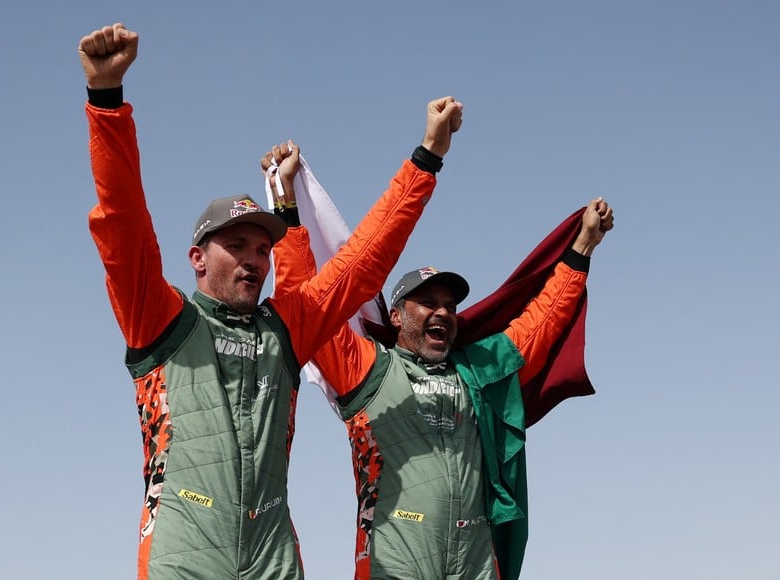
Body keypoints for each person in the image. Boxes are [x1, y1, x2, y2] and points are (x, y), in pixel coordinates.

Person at [78, 22, 463, 580]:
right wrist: (107, 101)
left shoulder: (286, 326)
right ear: (197, 259)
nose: (255, 259)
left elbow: (364, 261)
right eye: (236, 246)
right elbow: (123, 225)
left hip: (273, 558)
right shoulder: (160, 318)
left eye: (263, 247)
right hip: (184, 555)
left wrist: (426, 158)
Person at [265, 173, 613, 579]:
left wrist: (583, 247)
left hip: (476, 562)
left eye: (449, 305)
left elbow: (541, 322)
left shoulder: (477, 373)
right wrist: (287, 211)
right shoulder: (363, 366)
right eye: (427, 303)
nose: (443, 313)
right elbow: (307, 303)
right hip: (393, 561)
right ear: (396, 316)